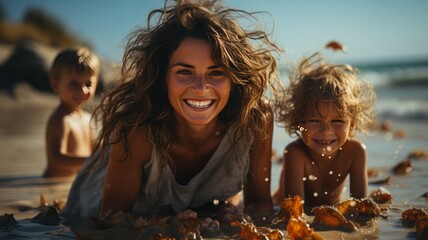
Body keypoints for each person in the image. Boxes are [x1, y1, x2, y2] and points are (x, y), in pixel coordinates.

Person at [63, 0, 282, 223]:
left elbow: (259, 203)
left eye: (216, 73)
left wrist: (236, 217)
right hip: (92, 207)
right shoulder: (136, 131)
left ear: (234, 79)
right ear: (163, 78)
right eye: (185, 72)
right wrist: (166, 223)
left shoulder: (254, 118)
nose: (200, 87)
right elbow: (111, 221)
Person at [273, 52, 376, 211]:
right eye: (315, 120)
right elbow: (294, 212)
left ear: (352, 123)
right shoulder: (295, 153)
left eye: (338, 121)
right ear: (299, 121)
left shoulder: (355, 152)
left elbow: (360, 206)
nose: (326, 131)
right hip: (279, 203)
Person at [43, 47, 99, 178]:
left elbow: (95, 150)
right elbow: (56, 160)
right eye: (74, 84)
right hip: (53, 186)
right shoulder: (61, 120)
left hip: (72, 184)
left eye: (88, 84)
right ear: (56, 85)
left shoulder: (87, 118)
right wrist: (92, 162)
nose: (83, 90)